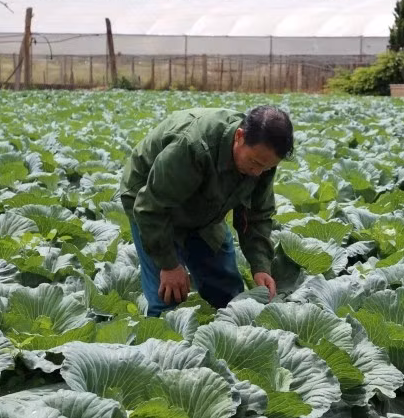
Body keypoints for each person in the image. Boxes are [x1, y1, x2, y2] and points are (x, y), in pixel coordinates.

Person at [120, 106, 293, 317]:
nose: (258, 172)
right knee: (166, 299)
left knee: (228, 292)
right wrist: (169, 264)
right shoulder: (194, 146)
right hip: (151, 204)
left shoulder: (263, 160)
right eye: (255, 163)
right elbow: (151, 207)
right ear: (239, 136)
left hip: (205, 210)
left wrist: (261, 266)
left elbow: (256, 216)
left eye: (265, 168)